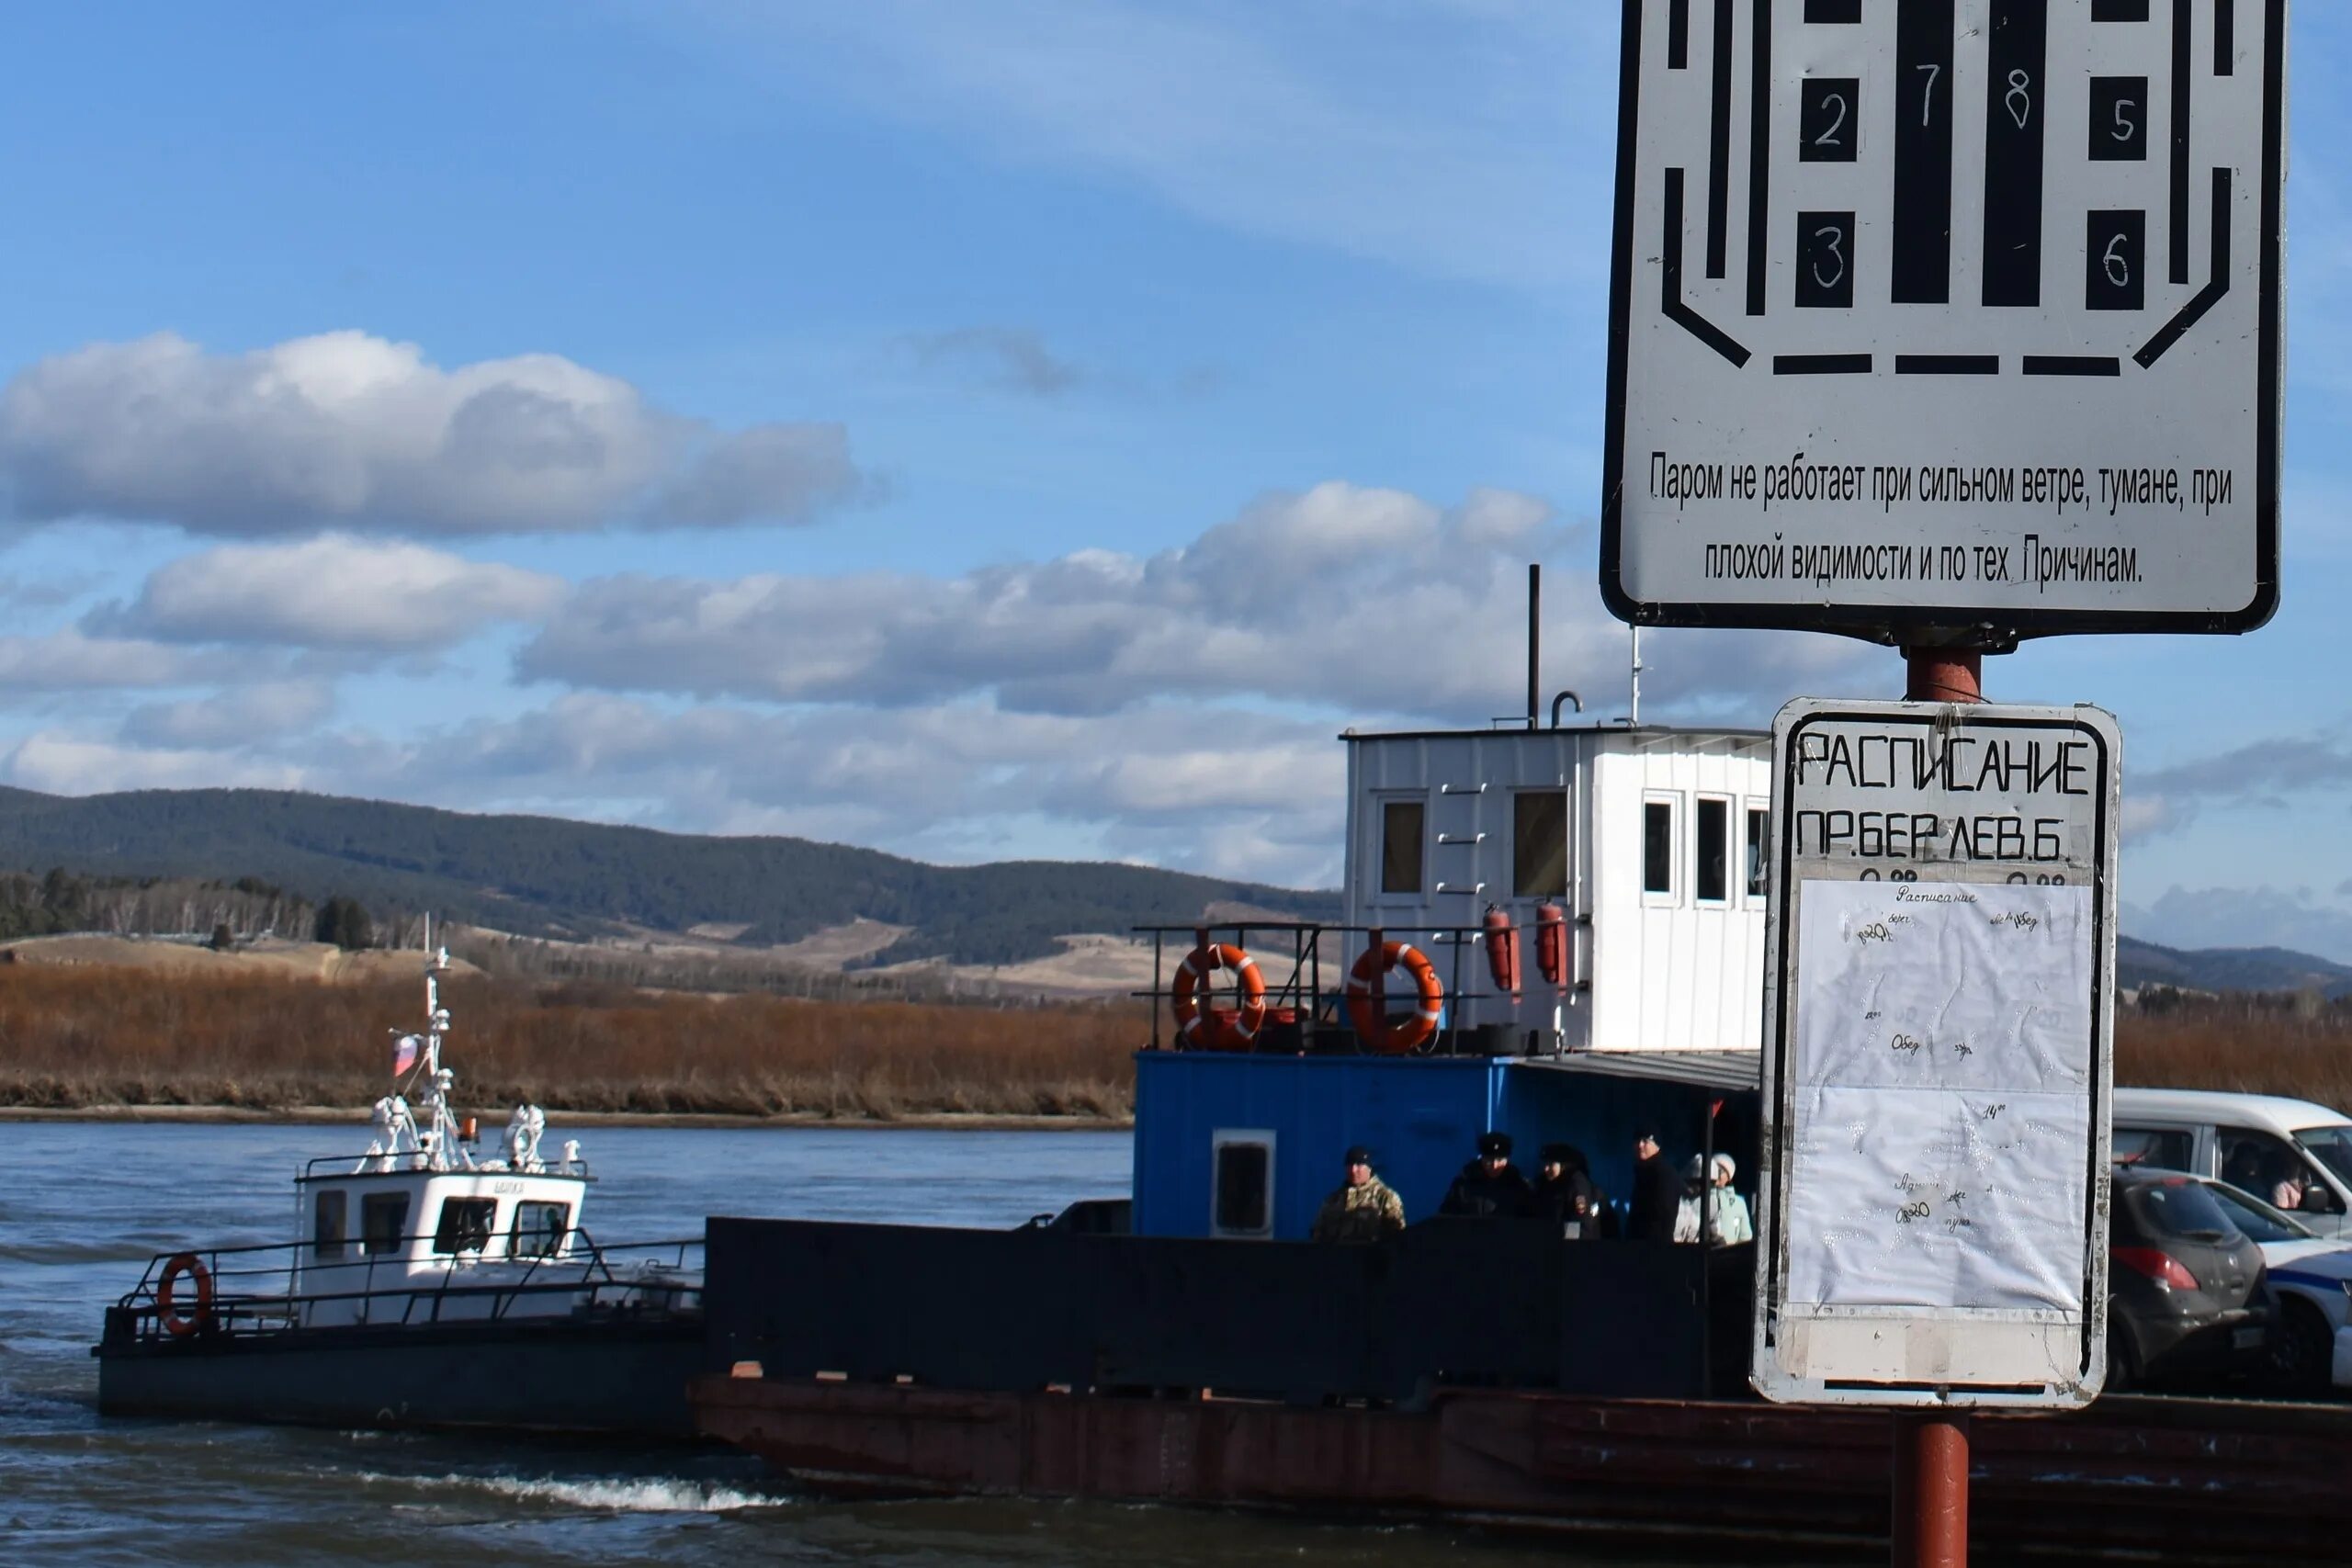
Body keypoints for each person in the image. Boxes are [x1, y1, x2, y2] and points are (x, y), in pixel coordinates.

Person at [1310, 1145, 1407, 1243]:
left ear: (1369, 1168)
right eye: (1349, 1165)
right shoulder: (1332, 1201)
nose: (1353, 1170)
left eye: (1359, 1165)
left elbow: (1397, 1238)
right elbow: (1317, 1237)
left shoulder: (1385, 1197)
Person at [1439, 1131, 1536, 1218]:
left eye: (1500, 1160)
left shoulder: (1519, 1186)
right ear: (1481, 1158)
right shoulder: (1463, 1184)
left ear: (1507, 1160)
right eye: (1489, 1160)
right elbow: (1447, 1217)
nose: (1494, 1165)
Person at [1533, 1143, 1601, 1238]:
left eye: (1551, 1164)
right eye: (1545, 1163)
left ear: (1564, 1166)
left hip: (1572, 1248)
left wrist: (1554, 1233)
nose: (1546, 1168)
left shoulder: (1577, 1185)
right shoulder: (1544, 1184)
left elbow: (1582, 1228)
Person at [1626, 1127, 1681, 1241]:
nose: (1640, 1145)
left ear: (1657, 1146)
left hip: (1655, 1249)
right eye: (1637, 1141)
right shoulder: (1642, 1172)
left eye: (1645, 1141)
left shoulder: (1664, 1173)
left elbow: (1663, 1215)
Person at [1707, 1152, 1754, 1246]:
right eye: (1715, 1168)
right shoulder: (1701, 1197)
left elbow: (1745, 1237)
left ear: (1729, 1177)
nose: (1718, 1173)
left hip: (1729, 1256)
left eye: (1722, 1170)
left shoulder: (1738, 1203)